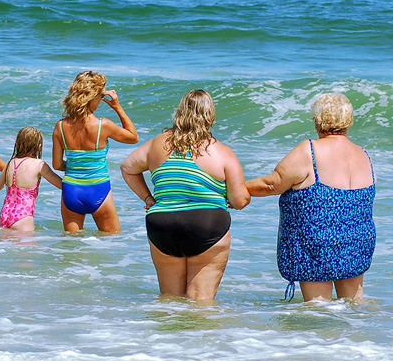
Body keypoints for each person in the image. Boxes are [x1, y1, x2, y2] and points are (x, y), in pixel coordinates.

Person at [121, 90, 250, 301]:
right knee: (201, 303)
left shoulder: (158, 144)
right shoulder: (221, 151)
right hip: (207, 224)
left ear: (180, 112)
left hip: (163, 223)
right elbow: (240, 200)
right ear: (210, 116)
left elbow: (127, 168)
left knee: (170, 301)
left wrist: (148, 199)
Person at [246, 93, 376, 302]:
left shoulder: (310, 151)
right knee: (354, 305)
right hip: (359, 240)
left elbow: (273, 184)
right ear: (348, 121)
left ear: (318, 120)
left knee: (318, 310)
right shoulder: (364, 155)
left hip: (318, 242)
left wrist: (236, 187)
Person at [52, 70, 138, 232]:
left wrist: (77, 165)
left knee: (71, 249)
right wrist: (117, 107)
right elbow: (133, 137)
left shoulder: (60, 126)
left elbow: (57, 165)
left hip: (71, 190)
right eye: (100, 96)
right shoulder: (102, 125)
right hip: (99, 189)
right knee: (112, 241)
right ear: (93, 97)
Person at [0, 127, 62, 231]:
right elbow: (60, 185)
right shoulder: (39, 164)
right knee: (28, 246)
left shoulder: (10, 163)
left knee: (8, 246)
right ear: (39, 147)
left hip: (5, 215)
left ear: (17, 144)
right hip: (23, 217)